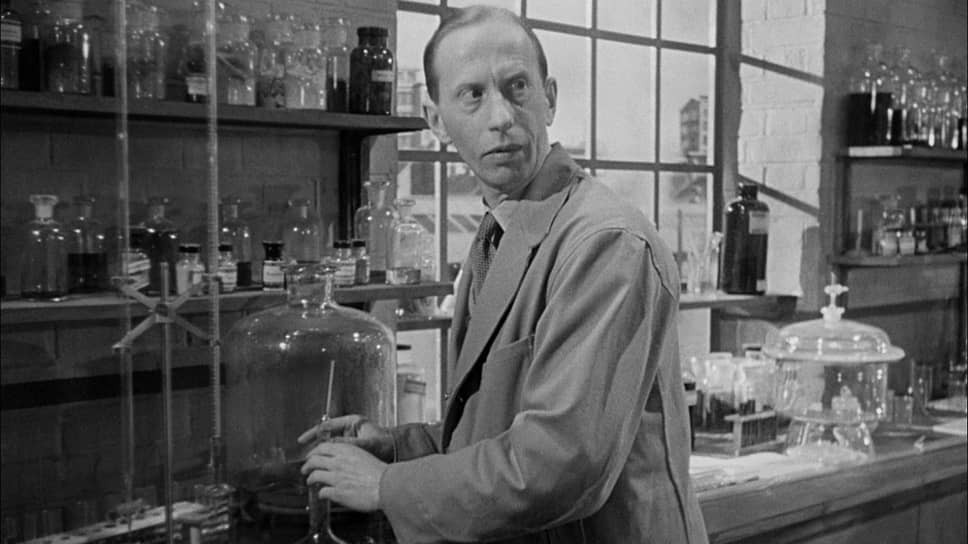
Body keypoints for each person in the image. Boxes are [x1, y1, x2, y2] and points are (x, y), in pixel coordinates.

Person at [300, 5, 708, 542]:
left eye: (517, 88)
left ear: (549, 98)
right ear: (436, 120)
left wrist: (386, 485)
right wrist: (398, 447)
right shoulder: (500, 231)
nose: (500, 116)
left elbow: (560, 464)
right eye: (472, 94)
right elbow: (492, 424)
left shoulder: (605, 243)